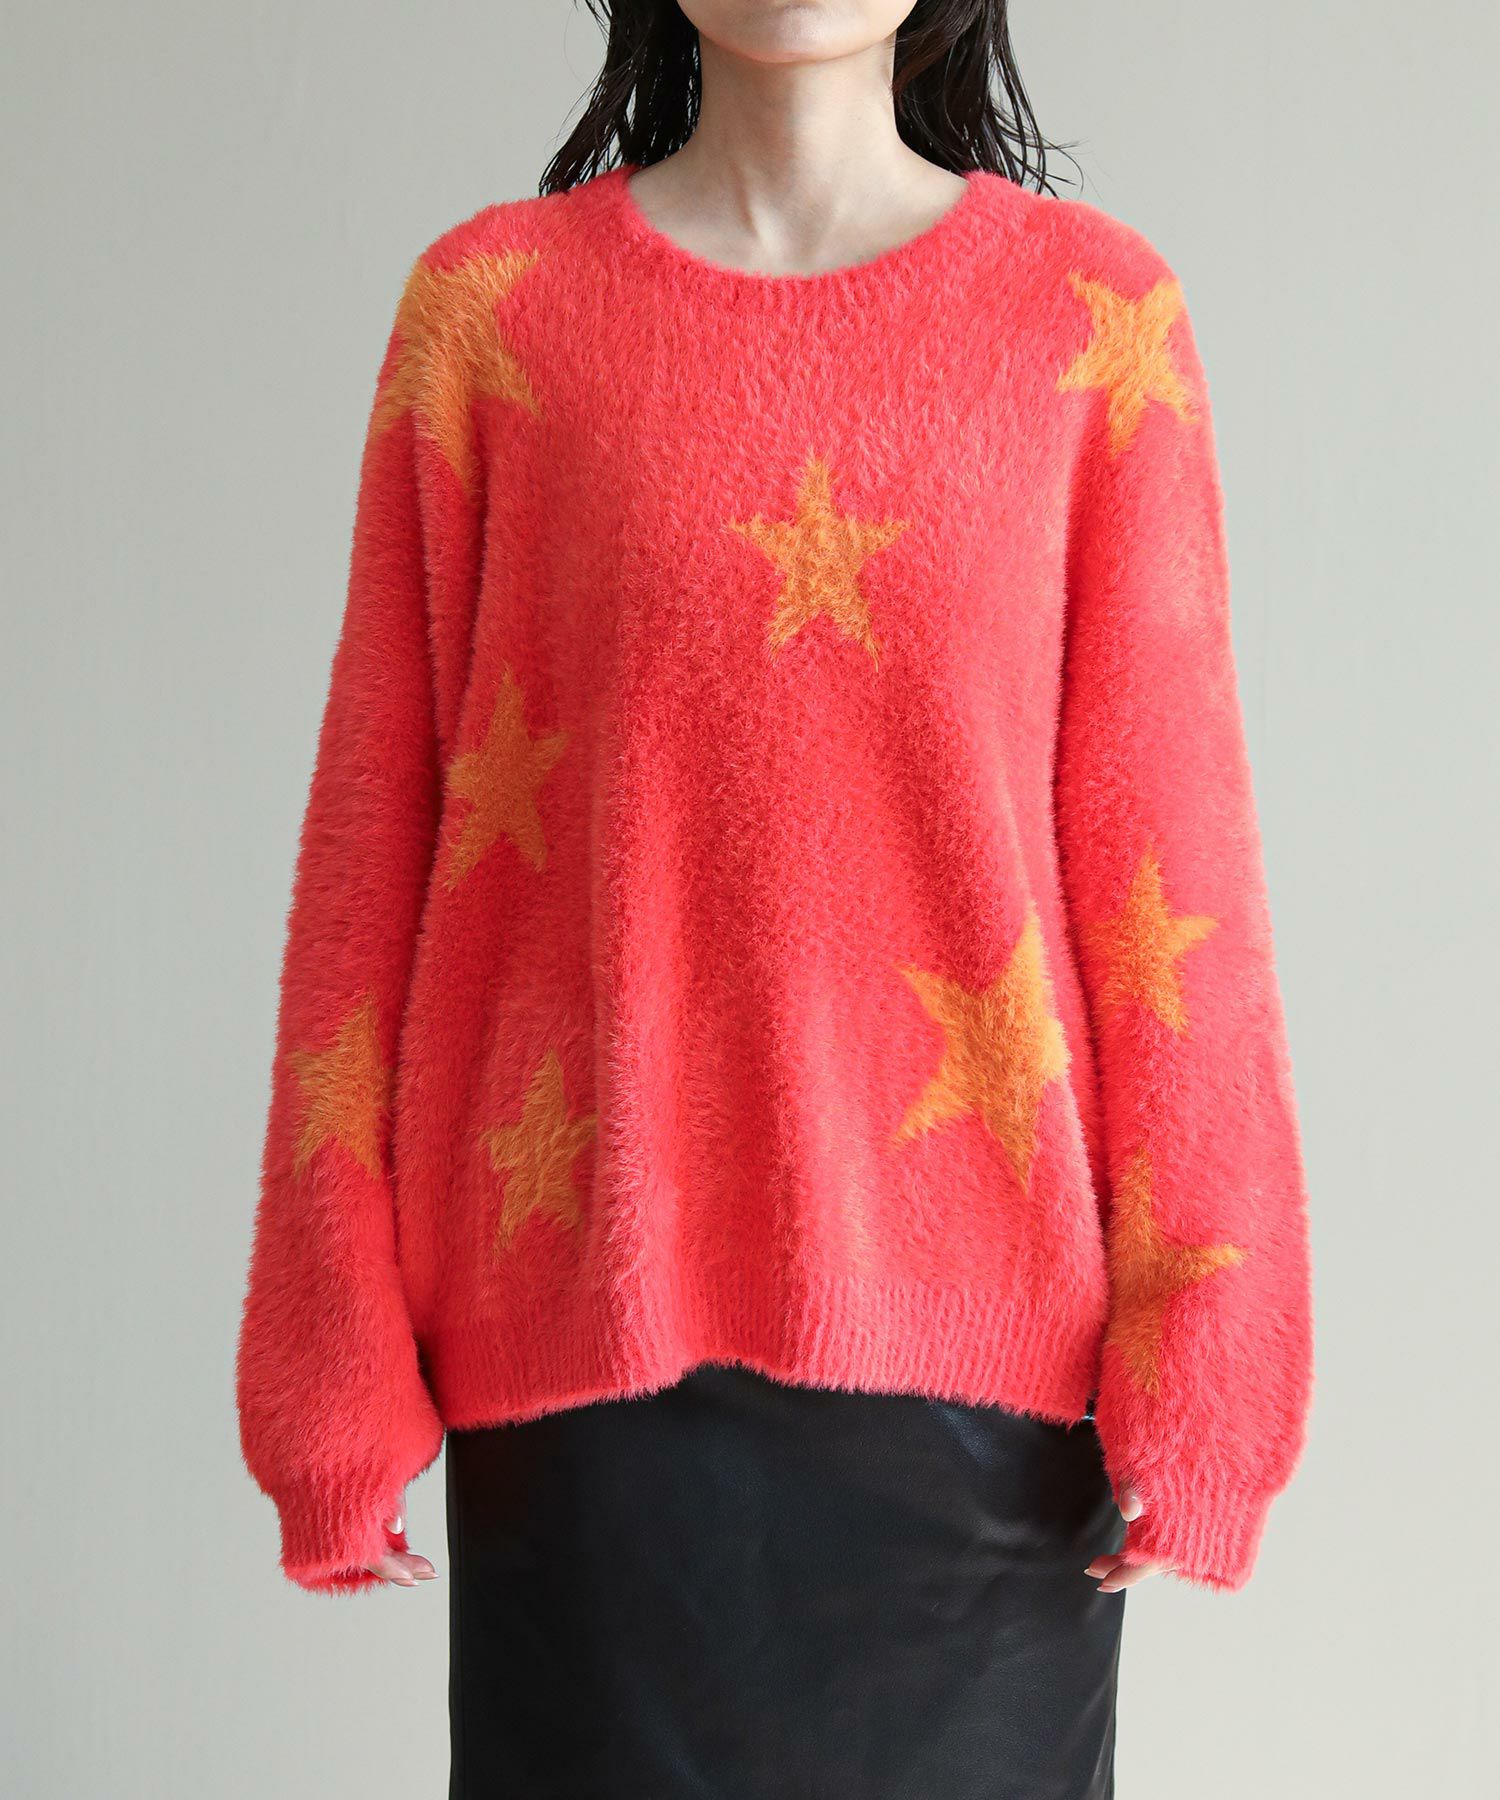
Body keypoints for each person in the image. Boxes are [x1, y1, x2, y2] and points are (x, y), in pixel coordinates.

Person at [235, 3, 1315, 1794]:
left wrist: (1211, 1362)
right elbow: (371, 854)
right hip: (585, 1401)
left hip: (985, 1422)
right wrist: (328, 1362)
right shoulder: (492, 316)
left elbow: (1175, 867)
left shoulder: (1091, 320)